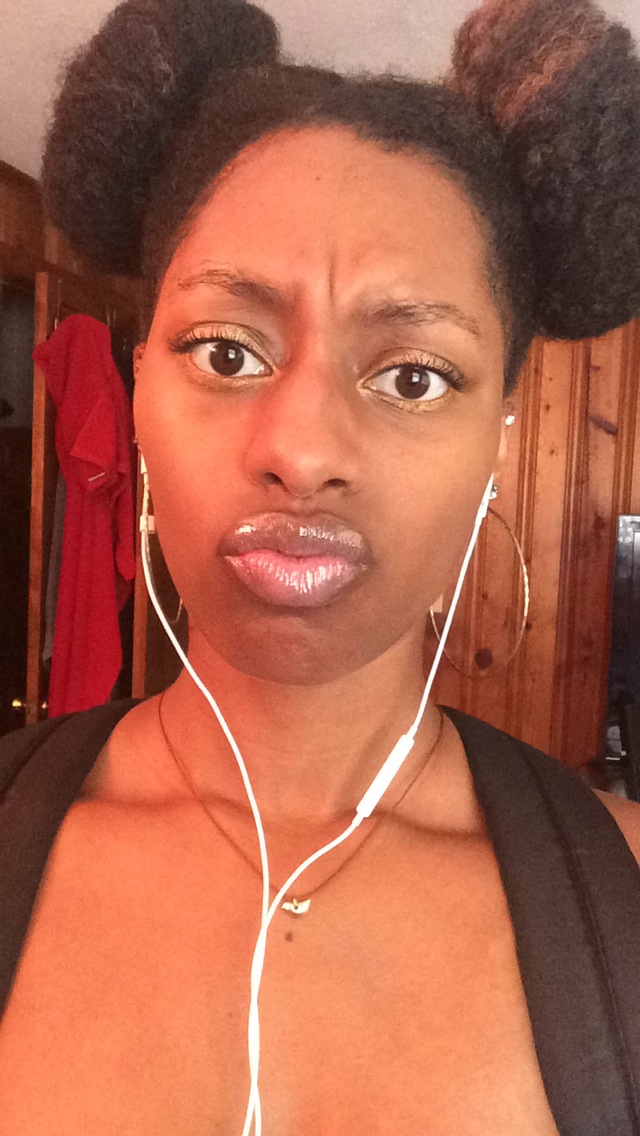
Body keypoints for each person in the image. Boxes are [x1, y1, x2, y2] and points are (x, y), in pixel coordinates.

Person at [1, 0, 640, 1132]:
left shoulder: (622, 904)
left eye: (412, 376)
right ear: (138, 384)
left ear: (500, 433)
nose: (300, 451)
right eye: (227, 351)